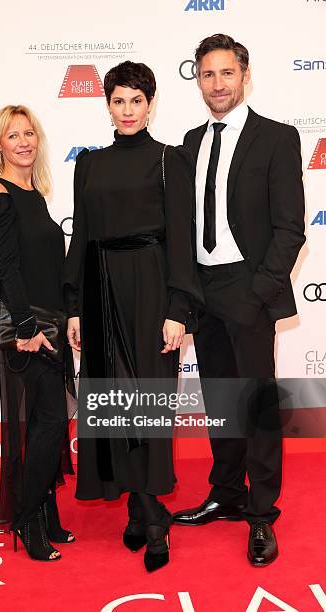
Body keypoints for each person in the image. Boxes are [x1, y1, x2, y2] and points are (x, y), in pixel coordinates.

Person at [64, 61, 202, 572]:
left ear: (151, 103)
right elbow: (80, 235)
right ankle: (145, 511)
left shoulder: (171, 159)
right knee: (111, 402)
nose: (127, 110)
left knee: (146, 401)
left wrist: (178, 307)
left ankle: (146, 509)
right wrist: (73, 304)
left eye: (136, 101)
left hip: (150, 287)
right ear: (107, 105)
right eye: (118, 101)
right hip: (100, 288)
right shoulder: (90, 164)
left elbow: (182, 241)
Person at [173, 34, 305, 566]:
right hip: (203, 291)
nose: (217, 84)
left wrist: (257, 293)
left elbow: (290, 229)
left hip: (248, 290)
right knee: (222, 404)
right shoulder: (187, 142)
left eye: (226, 73)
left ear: (245, 76)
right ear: (198, 80)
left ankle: (260, 515)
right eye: (207, 74)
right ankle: (225, 494)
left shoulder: (277, 137)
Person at [0, 105, 76, 561]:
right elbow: (7, 270)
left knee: (48, 428)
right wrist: (27, 327)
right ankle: (28, 521)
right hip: (26, 330)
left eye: (29, 133)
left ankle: (46, 516)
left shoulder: (34, 194)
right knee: (45, 425)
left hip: (50, 326)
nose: (23, 141)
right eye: (13, 135)